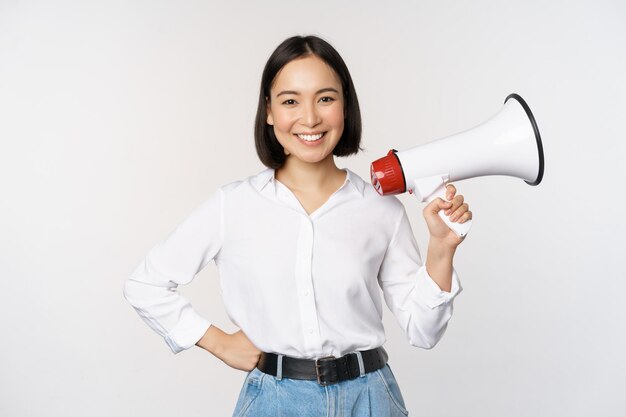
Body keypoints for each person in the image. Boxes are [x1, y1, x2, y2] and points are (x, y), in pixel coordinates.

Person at [124, 35, 472, 417]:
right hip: (273, 402)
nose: (310, 118)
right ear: (269, 110)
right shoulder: (233, 205)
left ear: (346, 107)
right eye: (291, 101)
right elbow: (145, 284)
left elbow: (424, 332)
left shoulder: (381, 208)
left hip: (371, 400)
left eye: (325, 98)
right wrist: (218, 342)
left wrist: (442, 248)